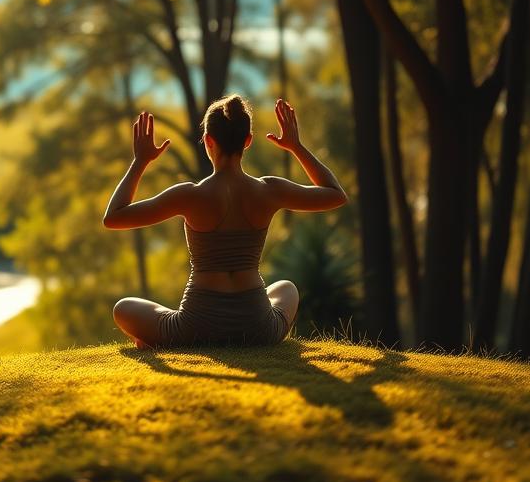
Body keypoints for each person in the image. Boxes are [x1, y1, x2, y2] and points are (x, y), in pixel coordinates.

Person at [102, 96, 348, 348]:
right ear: (248, 141)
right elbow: (335, 194)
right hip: (257, 327)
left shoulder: (190, 195)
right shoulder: (268, 190)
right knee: (287, 288)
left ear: (208, 141)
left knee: (123, 308)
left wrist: (140, 161)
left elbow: (114, 217)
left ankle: (159, 340)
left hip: (195, 328)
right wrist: (296, 146)